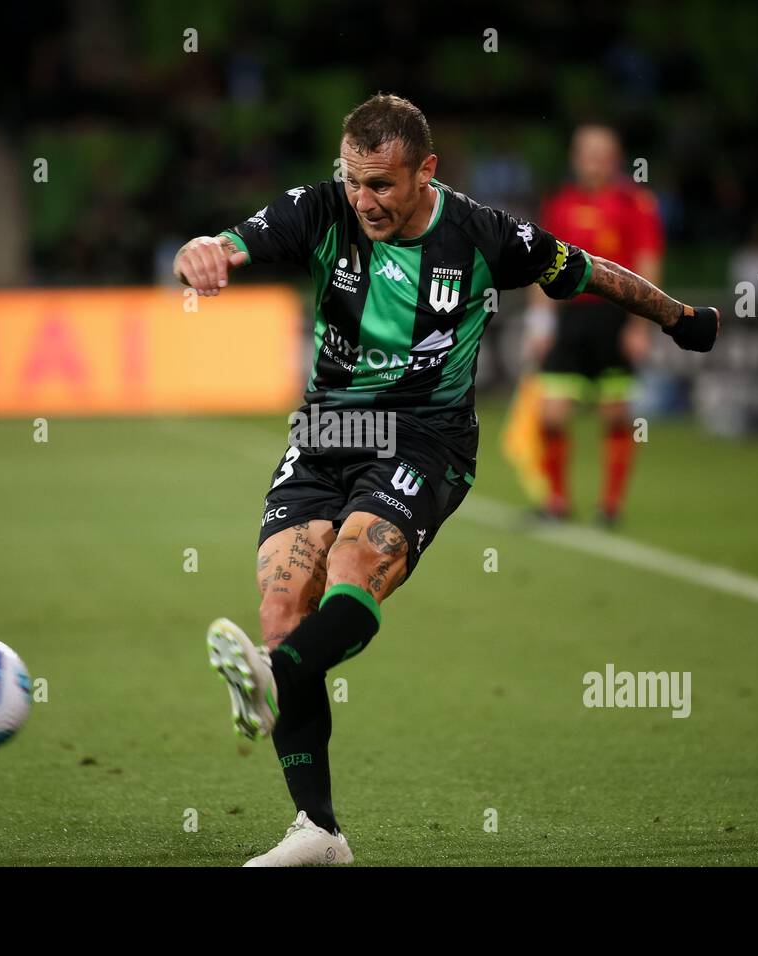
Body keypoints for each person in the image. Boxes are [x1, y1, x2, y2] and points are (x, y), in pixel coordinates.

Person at [172, 94, 718, 866]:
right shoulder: (320, 209)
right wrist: (203, 249)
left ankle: (271, 679)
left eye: (383, 185)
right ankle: (320, 832)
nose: (364, 200)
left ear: (426, 171)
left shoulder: (486, 236)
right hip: (326, 433)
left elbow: (594, 272)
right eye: (354, 180)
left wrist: (678, 317)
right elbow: (231, 241)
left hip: (425, 440)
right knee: (279, 608)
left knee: (356, 564)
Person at [528, 125, 664, 524]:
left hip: (614, 315)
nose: (594, 160)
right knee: (551, 415)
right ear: (576, 157)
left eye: (602, 153)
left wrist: (640, 325)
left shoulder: (636, 203)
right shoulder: (560, 204)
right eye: (587, 152)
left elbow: (648, 265)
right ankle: (556, 502)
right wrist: (540, 323)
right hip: (569, 316)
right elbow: (542, 264)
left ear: (615, 158)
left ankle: (611, 506)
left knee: (616, 415)